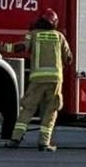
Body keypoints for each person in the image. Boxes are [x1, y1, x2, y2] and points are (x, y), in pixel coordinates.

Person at [7, 9, 72, 152]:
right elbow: (68, 58)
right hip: (55, 80)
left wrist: (1, 47)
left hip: (37, 79)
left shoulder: (33, 35)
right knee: (51, 110)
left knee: (28, 108)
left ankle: (15, 139)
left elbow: (21, 47)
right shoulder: (59, 37)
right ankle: (44, 143)